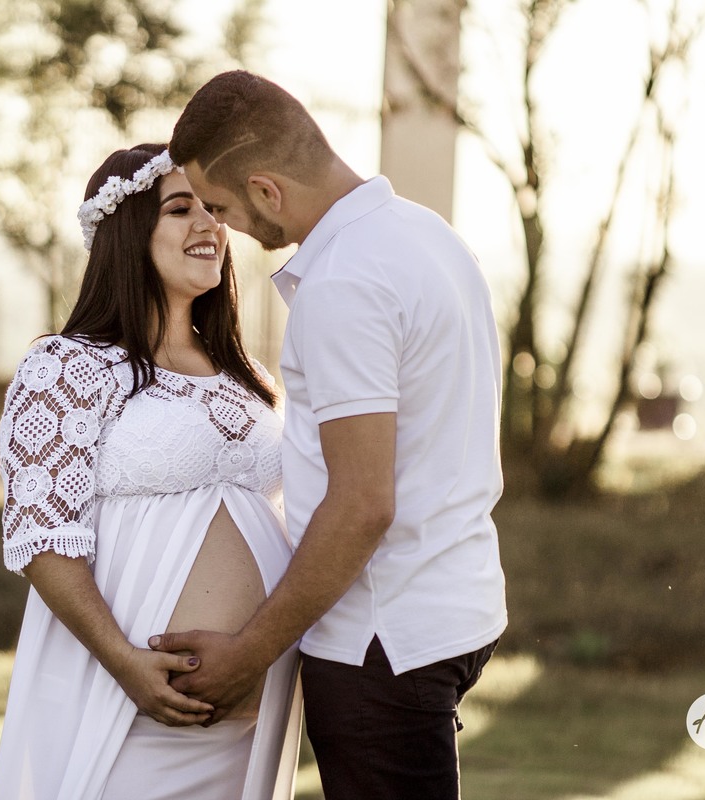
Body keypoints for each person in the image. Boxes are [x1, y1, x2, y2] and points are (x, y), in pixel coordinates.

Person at [149, 71, 508, 799]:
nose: (225, 228)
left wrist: (249, 652)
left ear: (266, 189)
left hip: (381, 639)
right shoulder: (430, 236)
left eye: (223, 207)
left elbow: (362, 503)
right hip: (455, 608)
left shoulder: (344, 282)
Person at [0, 143, 302, 800]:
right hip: (125, 704)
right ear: (128, 235)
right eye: (180, 209)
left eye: (213, 208)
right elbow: (43, 539)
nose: (209, 224)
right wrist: (124, 662)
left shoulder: (250, 381)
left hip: (249, 726)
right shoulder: (68, 367)